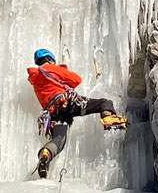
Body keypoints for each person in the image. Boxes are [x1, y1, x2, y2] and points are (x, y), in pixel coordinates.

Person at [26, 48, 127, 178]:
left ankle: (45, 154)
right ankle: (109, 118)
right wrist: (63, 69)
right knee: (104, 103)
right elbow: (76, 80)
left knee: (58, 140)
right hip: (68, 104)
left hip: (53, 115)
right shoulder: (51, 68)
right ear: (50, 59)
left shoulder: (35, 78)